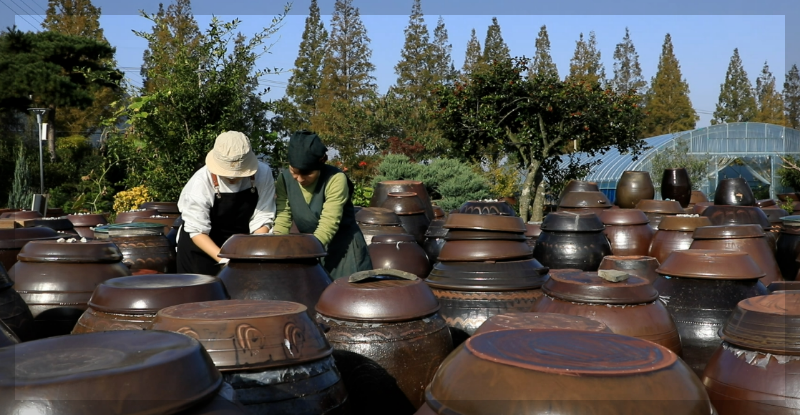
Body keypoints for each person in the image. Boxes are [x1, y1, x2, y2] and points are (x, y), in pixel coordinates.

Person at [272, 131, 372, 280]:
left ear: (320, 164)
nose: (299, 179)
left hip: (344, 250)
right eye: (294, 172)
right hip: (310, 248)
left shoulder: (335, 179)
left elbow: (329, 223)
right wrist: (277, 248)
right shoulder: (284, 179)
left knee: (347, 298)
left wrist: (307, 251)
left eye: (306, 174)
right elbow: (283, 215)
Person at [176, 131, 276, 275]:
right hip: (200, 250)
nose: (233, 178)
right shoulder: (200, 183)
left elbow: (262, 218)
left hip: (240, 248)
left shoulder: (263, 173)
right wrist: (226, 260)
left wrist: (253, 254)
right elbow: (197, 231)